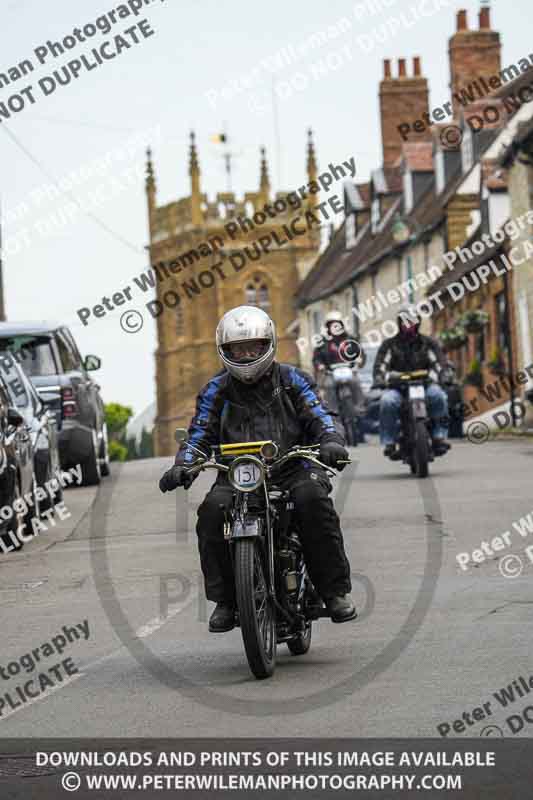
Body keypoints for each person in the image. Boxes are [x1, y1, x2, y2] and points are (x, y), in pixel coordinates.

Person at [159, 305, 356, 633]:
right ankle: (226, 600)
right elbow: (199, 433)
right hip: (239, 474)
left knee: (312, 502)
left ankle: (333, 591)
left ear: (269, 345)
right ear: (225, 351)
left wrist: (331, 441)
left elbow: (319, 415)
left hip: (295, 466)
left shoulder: (292, 379)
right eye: (238, 348)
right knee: (212, 512)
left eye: (254, 346)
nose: (247, 354)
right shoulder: (216, 390)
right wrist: (185, 465)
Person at [373, 306, 450, 457]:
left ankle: (439, 436)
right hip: (398, 388)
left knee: (439, 396)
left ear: (418, 323)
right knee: (387, 402)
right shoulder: (389, 345)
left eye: (412, 322)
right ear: (399, 323)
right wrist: (379, 377)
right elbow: (381, 364)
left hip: (425, 384)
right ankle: (389, 441)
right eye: (405, 322)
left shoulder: (428, 343)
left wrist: (445, 374)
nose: (408, 325)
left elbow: (439, 362)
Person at [312, 310, 367, 440]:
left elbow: (360, 353)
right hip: (331, 373)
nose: (335, 327)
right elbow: (316, 358)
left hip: (348, 371)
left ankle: (359, 409)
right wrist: (319, 365)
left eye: (337, 324)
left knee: (356, 382)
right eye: (332, 324)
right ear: (328, 327)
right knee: (329, 385)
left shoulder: (350, 340)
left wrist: (359, 360)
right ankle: (333, 413)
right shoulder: (322, 343)